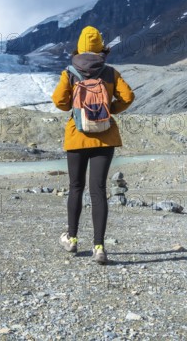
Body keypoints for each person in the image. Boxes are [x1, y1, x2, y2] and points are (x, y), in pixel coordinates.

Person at [52, 26, 135, 264]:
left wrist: (74, 109)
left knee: (76, 187)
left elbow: (59, 101)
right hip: (104, 136)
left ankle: (72, 238)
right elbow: (128, 97)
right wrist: (108, 111)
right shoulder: (110, 72)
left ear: (79, 46)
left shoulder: (69, 72)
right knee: (98, 190)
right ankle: (99, 247)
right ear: (100, 47)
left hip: (77, 136)